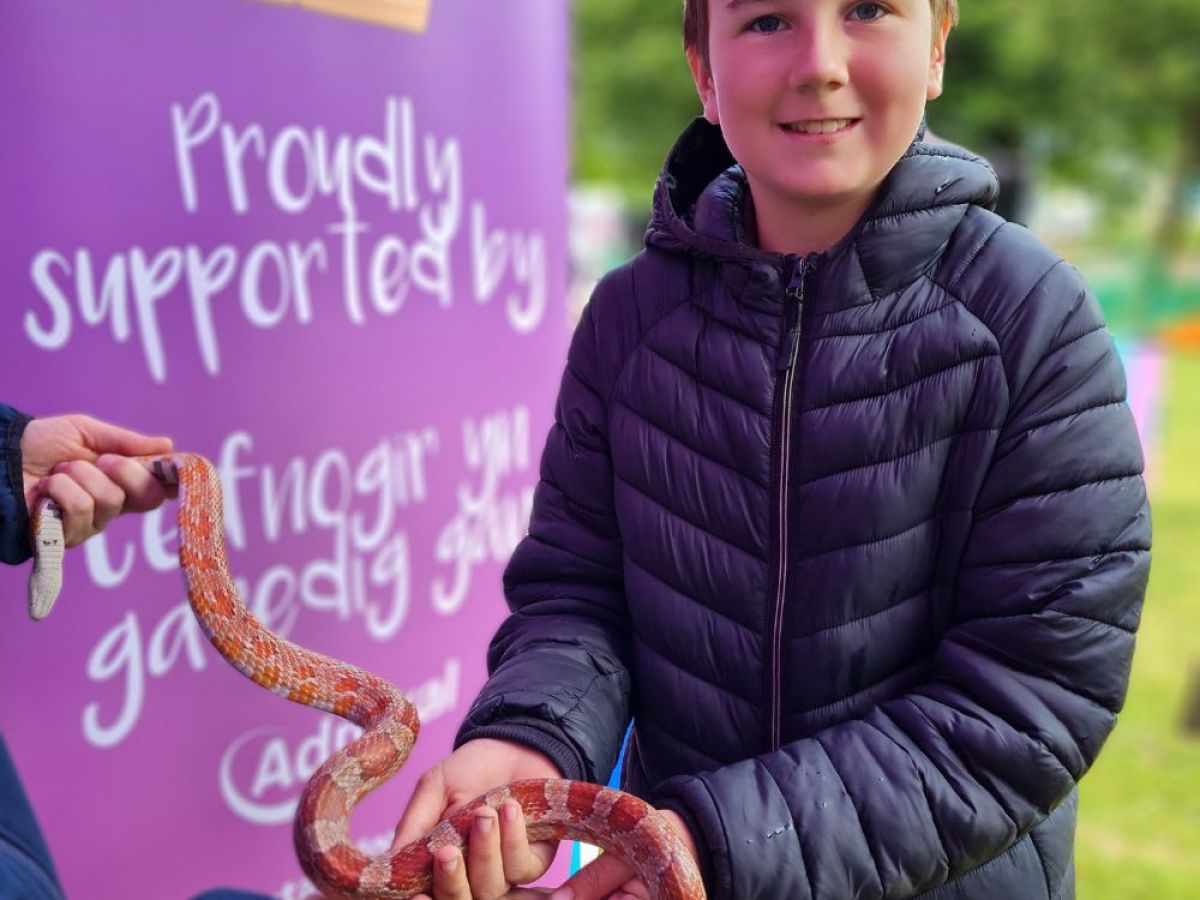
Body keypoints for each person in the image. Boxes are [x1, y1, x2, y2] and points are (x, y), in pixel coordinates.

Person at [388, 1, 1153, 899]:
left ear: (939, 44)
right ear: (704, 73)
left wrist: (717, 848)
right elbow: (578, 594)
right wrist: (527, 738)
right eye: (766, 21)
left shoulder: (1035, 323)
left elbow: (1031, 697)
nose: (820, 62)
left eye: (868, 9)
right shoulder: (628, 323)